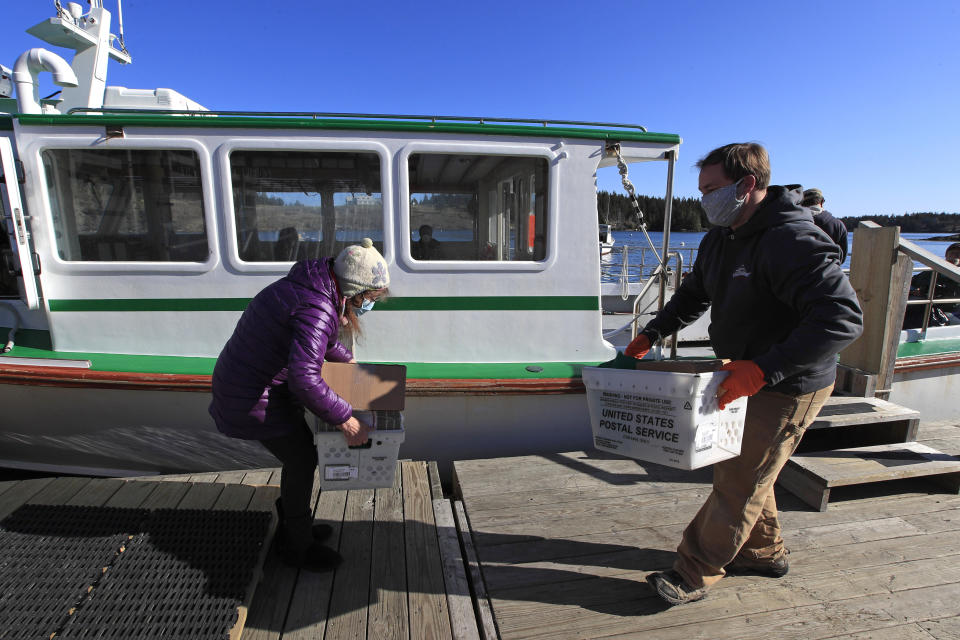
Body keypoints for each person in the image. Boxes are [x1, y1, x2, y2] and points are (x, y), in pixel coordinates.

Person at [625, 143, 863, 606]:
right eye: (701, 191)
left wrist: (766, 369)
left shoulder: (793, 239)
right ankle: (763, 551)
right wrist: (651, 333)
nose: (704, 199)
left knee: (739, 480)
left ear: (747, 184)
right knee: (748, 471)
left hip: (791, 382)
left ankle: (694, 572)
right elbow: (694, 292)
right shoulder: (721, 236)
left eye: (712, 189)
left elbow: (842, 317)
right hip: (741, 372)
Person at [209, 237, 389, 572]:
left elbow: (320, 341)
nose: (370, 305)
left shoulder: (314, 284)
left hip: (253, 385)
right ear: (353, 292)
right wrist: (346, 420)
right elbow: (305, 379)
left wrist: (347, 364)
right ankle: (297, 548)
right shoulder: (317, 306)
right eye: (370, 298)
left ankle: (295, 527)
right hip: (251, 395)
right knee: (303, 458)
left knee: (300, 457)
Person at [903, 242, 960, 329]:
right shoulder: (931, 273)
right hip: (926, 306)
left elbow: (953, 294)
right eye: (952, 253)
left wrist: (927, 291)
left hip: (951, 309)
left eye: (958, 254)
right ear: (946, 256)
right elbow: (910, 282)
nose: (954, 257)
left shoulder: (957, 275)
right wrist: (914, 291)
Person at [801, 188, 849, 263]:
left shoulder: (795, 222)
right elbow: (842, 257)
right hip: (829, 272)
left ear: (801, 203)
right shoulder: (838, 225)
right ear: (822, 202)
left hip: (799, 273)